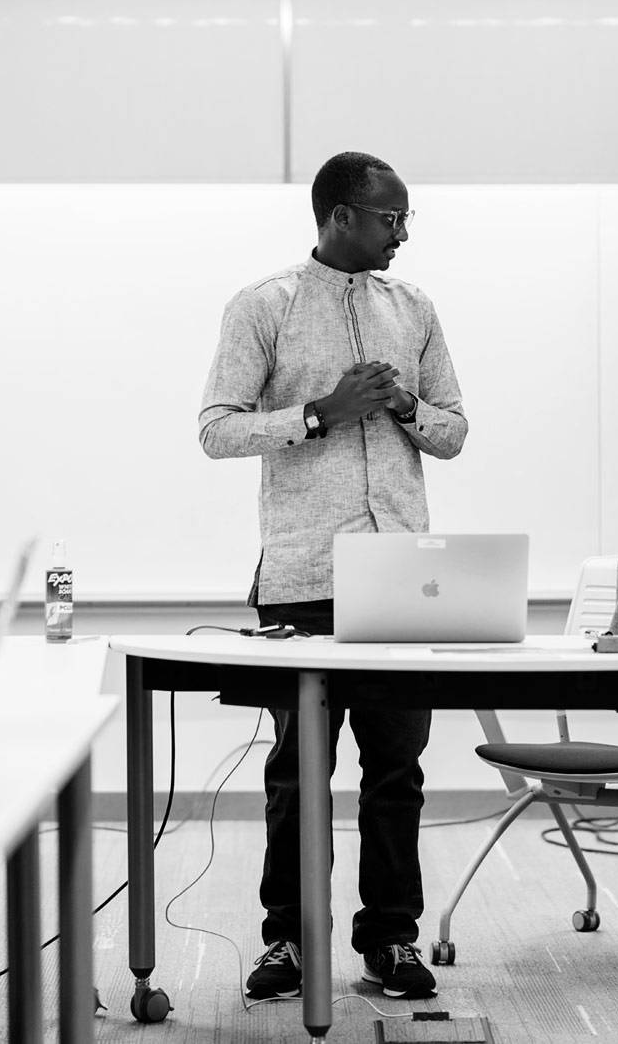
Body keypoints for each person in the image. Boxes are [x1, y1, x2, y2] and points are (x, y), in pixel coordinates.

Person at [199, 151, 468, 1002]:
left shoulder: (415, 307)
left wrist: (400, 406)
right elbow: (216, 429)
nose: (403, 233)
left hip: (402, 572)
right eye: (391, 218)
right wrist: (323, 412)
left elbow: (454, 430)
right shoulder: (264, 305)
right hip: (304, 572)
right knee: (297, 770)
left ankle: (390, 939)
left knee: (397, 770)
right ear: (341, 215)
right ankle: (289, 940)